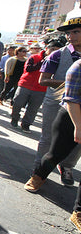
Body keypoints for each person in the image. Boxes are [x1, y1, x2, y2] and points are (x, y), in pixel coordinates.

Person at [23, 58, 81, 232]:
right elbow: (71, 99)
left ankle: (78, 212)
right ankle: (38, 176)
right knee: (56, 153)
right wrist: (78, 127)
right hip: (72, 116)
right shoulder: (78, 67)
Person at [33, 17, 81, 186]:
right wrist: (71, 84)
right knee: (48, 138)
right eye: (68, 33)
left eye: (75, 32)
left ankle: (67, 167)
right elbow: (43, 80)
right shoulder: (58, 54)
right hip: (56, 102)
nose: (70, 36)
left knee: (77, 142)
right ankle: (39, 171)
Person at [10, 40, 63, 133]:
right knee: (17, 103)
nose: (54, 52)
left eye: (57, 51)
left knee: (33, 109)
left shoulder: (57, 62)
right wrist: (43, 62)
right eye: (53, 49)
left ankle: (26, 124)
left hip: (41, 89)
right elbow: (28, 69)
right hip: (25, 85)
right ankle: (15, 118)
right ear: (46, 49)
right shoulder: (34, 57)